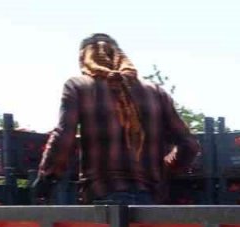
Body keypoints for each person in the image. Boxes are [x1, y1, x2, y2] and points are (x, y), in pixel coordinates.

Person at [35, 33, 201, 205]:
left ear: (85, 59)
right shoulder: (156, 92)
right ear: (119, 56)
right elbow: (189, 145)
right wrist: (165, 170)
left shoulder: (79, 86)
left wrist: (47, 177)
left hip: (103, 198)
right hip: (150, 199)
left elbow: (64, 137)